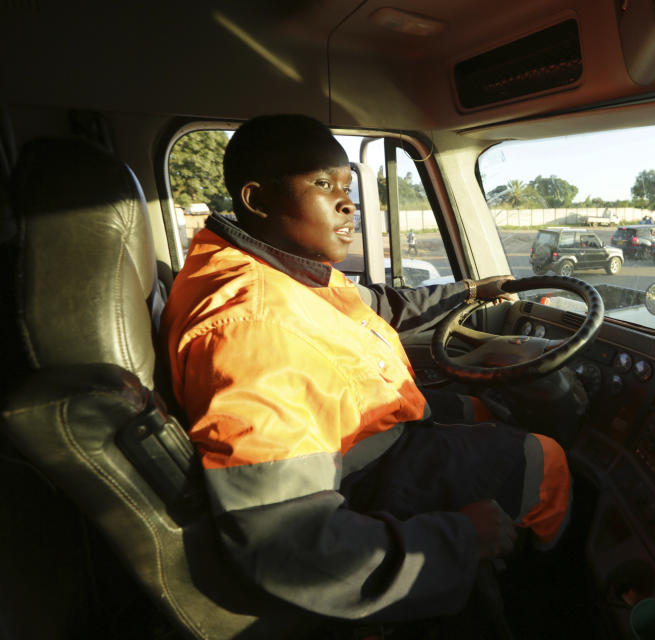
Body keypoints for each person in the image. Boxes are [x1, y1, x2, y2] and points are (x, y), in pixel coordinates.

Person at [161, 114, 571, 623]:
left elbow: (374, 304)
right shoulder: (253, 324)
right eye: (321, 184)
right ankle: (550, 596)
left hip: (361, 435)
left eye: (346, 185)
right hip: (362, 479)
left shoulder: (271, 269)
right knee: (543, 456)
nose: (347, 202)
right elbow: (285, 541)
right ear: (257, 199)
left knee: (486, 407)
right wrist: (459, 539)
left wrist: (469, 291)